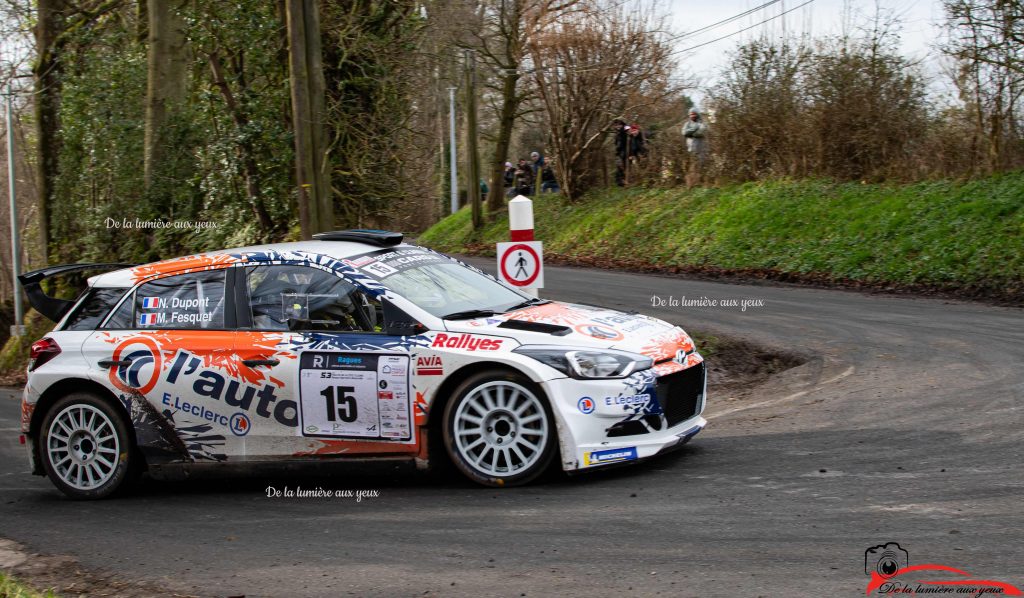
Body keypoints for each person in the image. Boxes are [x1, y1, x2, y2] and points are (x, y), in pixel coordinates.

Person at [681, 108, 709, 187]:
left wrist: (691, 133)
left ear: (697, 114)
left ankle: (702, 182)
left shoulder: (703, 123)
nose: (692, 116)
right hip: (690, 149)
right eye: (691, 114)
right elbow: (684, 133)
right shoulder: (687, 124)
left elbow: (700, 132)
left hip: (701, 149)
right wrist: (695, 128)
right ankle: (692, 184)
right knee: (691, 167)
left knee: (701, 166)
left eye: (694, 114)